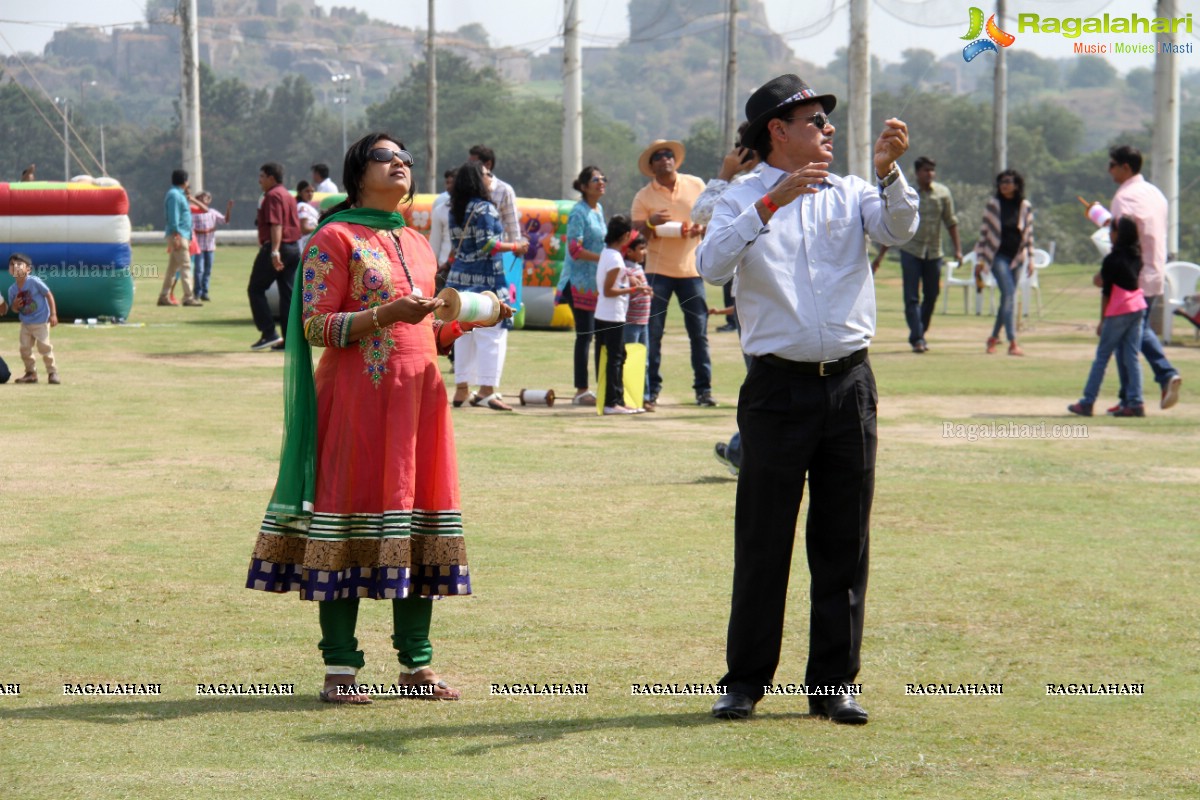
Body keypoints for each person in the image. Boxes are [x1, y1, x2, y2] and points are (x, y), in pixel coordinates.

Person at [246, 132, 511, 704]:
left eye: (407, 160)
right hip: (357, 402)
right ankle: (340, 670)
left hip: (421, 402)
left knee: (418, 527)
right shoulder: (332, 238)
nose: (401, 165)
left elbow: (425, 333)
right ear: (358, 171)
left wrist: (467, 322)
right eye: (388, 158)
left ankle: (417, 667)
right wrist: (384, 313)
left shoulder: (417, 244)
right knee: (345, 523)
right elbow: (315, 325)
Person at [697, 74, 918, 723]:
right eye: (815, 120)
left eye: (827, 120)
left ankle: (833, 684)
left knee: (843, 539)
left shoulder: (852, 191)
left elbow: (898, 229)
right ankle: (744, 682)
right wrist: (770, 203)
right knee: (764, 538)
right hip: (776, 387)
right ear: (778, 130)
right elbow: (710, 265)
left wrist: (889, 172)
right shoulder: (741, 195)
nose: (827, 130)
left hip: (849, 382)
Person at [632, 139, 715, 408]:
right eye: (658, 156)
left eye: (668, 154)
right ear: (651, 165)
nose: (665, 159)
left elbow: (712, 217)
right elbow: (633, 236)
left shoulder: (696, 185)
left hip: (691, 270)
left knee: (698, 333)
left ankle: (703, 390)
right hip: (657, 272)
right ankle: (651, 390)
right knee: (653, 333)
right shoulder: (644, 196)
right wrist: (650, 223)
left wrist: (701, 229)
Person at [445, 160, 528, 411]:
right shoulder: (485, 209)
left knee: (463, 333)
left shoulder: (454, 209)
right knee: (493, 333)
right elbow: (487, 245)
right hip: (487, 280)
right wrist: (517, 247)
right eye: (486, 174)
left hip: (459, 279)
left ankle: (461, 389)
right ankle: (487, 390)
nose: (490, 178)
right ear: (477, 180)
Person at [1108, 144, 1182, 410]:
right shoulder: (1155, 193)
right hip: (1154, 270)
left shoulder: (1124, 197)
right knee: (1137, 333)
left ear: (1125, 167)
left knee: (1127, 338)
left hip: (1131, 274)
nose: (1109, 171)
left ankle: (1160, 377)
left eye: (1112, 165)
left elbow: (1121, 238)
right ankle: (1128, 396)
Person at [871, 156, 962, 353]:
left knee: (931, 295)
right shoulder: (908, 194)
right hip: (910, 250)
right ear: (917, 173)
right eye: (925, 170)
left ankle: (920, 332)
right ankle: (918, 338)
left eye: (932, 170)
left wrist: (958, 250)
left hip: (934, 252)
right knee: (911, 297)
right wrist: (880, 257)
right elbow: (895, 225)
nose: (929, 174)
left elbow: (951, 222)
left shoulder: (943, 194)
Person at [1068, 216, 1146, 418]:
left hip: (1119, 309)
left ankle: (1088, 401)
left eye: (1112, 231)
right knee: (1131, 356)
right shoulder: (1137, 256)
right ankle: (1135, 402)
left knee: (1102, 357)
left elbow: (1107, 292)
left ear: (1119, 235)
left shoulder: (1112, 259)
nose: (1110, 234)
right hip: (1138, 307)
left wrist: (1103, 321)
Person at [692, 124, 762, 335]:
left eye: (738, 146)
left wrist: (725, 173)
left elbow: (701, 212)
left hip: (754, 295)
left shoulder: (747, 183)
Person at [561, 165, 609, 406]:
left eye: (603, 179)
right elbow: (574, 249)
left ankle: (603, 386)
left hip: (596, 284)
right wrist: (603, 258)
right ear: (583, 186)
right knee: (585, 335)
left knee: (600, 335)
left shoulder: (598, 209)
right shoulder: (578, 212)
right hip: (578, 283)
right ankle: (581, 390)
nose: (601, 182)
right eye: (595, 179)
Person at [594, 215, 650, 415]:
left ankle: (614, 399)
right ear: (626, 235)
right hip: (612, 315)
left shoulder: (607, 253)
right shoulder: (616, 259)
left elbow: (615, 280)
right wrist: (633, 290)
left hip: (603, 313)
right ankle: (612, 402)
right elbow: (609, 291)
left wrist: (630, 280)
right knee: (616, 358)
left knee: (616, 356)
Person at [974, 169, 1033, 356]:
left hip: (1017, 258)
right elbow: (984, 233)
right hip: (997, 256)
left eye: (1008, 181)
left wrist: (1031, 258)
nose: (1004, 185)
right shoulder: (994, 205)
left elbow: (1029, 234)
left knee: (1006, 299)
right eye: (1001, 182)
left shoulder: (1024, 206)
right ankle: (1012, 342)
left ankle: (992, 339)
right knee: (1009, 295)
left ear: (1016, 185)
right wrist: (980, 259)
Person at [249, 162, 303, 351]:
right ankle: (289, 340)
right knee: (287, 294)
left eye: (262, 176)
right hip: (294, 248)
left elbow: (276, 225)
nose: (259, 181)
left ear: (272, 178)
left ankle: (269, 332)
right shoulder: (288, 195)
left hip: (278, 247)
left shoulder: (272, 195)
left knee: (256, 288)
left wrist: (274, 251)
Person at [2, 253, 60, 384]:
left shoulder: (33, 281)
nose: (15, 267)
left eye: (19, 264)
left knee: (44, 347)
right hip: (26, 324)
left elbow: (48, 294)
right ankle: (31, 373)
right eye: (12, 265)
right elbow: (14, 309)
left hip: (41, 322)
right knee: (24, 349)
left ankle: (52, 372)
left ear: (28, 269)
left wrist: (53, 314)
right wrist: (15, 306)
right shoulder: (12, 290)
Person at [160, 169, 202, 307]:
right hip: (178, 234)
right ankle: (188, 297)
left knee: (172, 269)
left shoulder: (178, 194)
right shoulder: (174, 195)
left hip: (182, 234)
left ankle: (164, 296)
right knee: (186, 266)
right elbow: (173, 217)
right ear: (184, 181)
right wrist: (177, 235)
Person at [622, 234, 653, 411]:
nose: (644, 252)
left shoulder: (639, 269)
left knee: (644, 361)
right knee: (631, 360)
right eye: (641, 249)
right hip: (631, 323)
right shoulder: (625, 270)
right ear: (630, 251)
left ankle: (645, 397)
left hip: (643, 322)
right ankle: (629, 396)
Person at [467, 145, 522, 244]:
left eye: (474, 164)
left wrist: (516, 247)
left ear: (488, 165)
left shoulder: (504, 190)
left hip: (493, 252)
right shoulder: (463, 189)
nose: (469, 168)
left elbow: (512, 225)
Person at [190, 190, 234, 302]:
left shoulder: (212, 212)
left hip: (209, 247)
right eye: (200, 198)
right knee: (199, 270)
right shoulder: (193, 213)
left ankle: (205, 292)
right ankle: (197, 292)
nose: (202, 200)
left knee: (207, 270)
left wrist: (228, 209)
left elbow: (225, 220)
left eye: (205, 198)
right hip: (199, 247)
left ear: (209, 200)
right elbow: (192, 230)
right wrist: (207, 231)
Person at [428, 169, 456, 274]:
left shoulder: (473, 209)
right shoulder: (440, 209)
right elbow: (435, 241)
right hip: (444, 266)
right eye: (447, 183)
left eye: (452, 183)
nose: (449, 187)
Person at [295, 180, 321, 253]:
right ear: (300, 193)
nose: (310, 194)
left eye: (312, 191)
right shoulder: (302, 207)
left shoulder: (307, 206)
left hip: (310, 243)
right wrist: (321, 226)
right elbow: (304, 229)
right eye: (307, 191)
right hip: (305, 243)